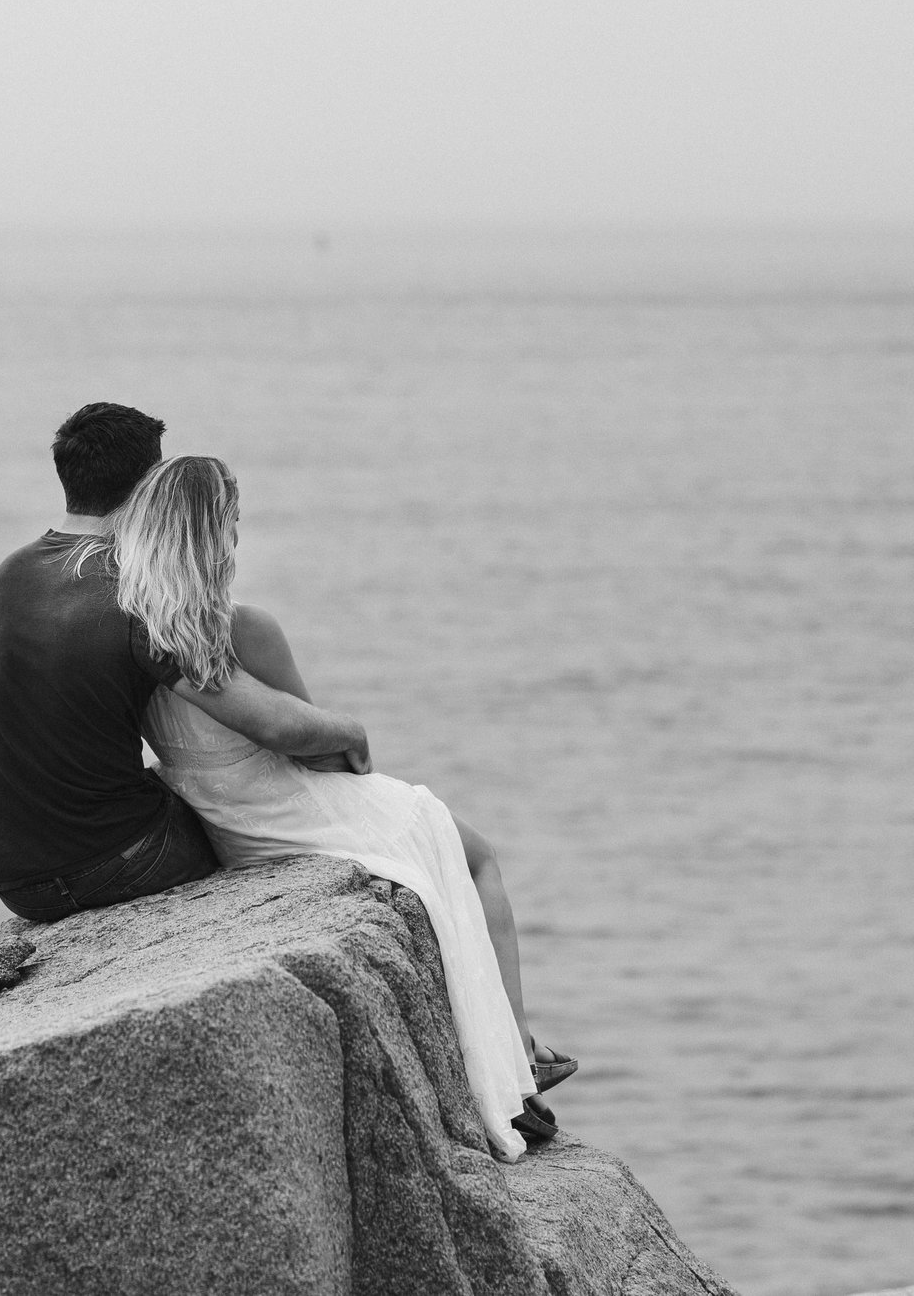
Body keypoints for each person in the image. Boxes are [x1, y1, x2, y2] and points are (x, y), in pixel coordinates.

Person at [89, 453, 575, 1159]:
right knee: (476, 855)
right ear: (209, 535)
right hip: (297, 810)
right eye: (231, 523)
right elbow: (311, 746)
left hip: (236, 830)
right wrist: (352, 738)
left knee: (441, 855)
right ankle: (519, 1056)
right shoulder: (245, 628)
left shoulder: (132, 633)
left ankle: (514, 1051)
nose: (236, 538)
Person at [0, 403, 368, 924]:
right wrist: (350, 731)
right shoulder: (133, 594)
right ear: (153, 485)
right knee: (241, 817)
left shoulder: (9, 574)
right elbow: (270, 722)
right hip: (110, 865)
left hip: (12, 878)